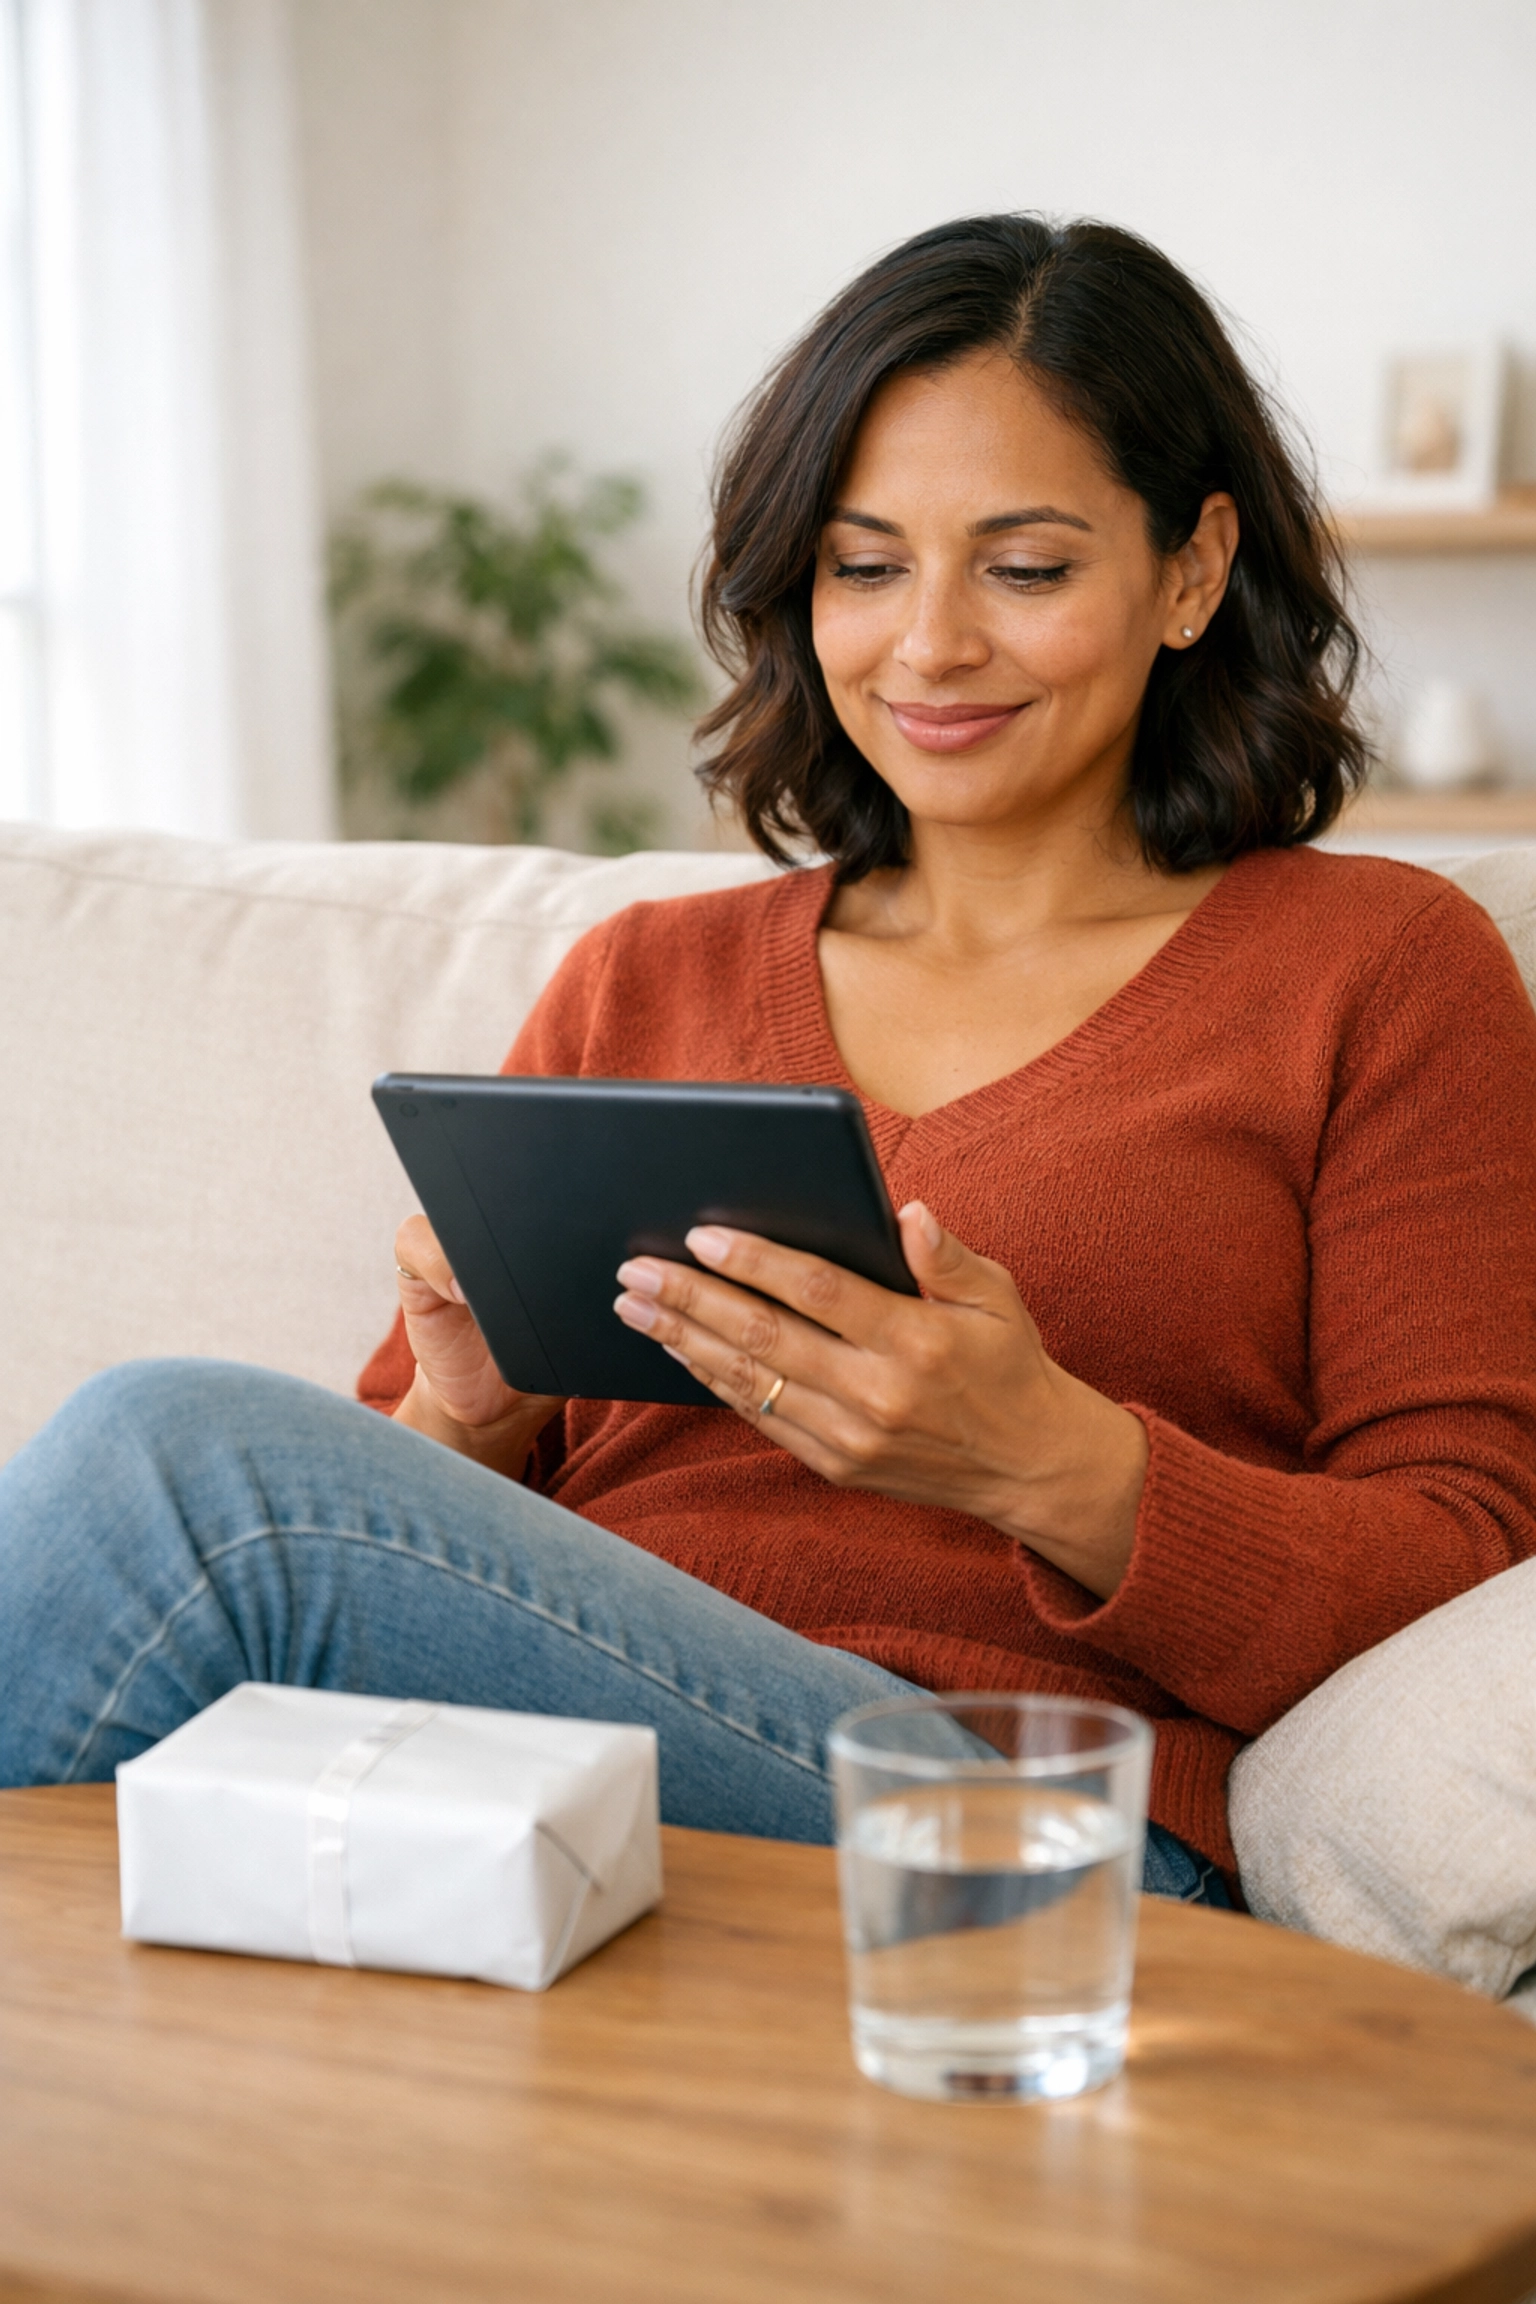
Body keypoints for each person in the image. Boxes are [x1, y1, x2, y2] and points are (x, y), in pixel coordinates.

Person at [4, 216, 1534, 1910]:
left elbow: (1468, 1556)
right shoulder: (644, 981)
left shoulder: (1376, 971)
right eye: (864, 567)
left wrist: (1049, 1460)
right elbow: (401, 1534)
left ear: (1191, 571)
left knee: (167, 1463)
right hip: (549, 1782)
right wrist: (469, 1410)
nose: (929, 645)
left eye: (1024, 570)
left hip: (998, 1823)